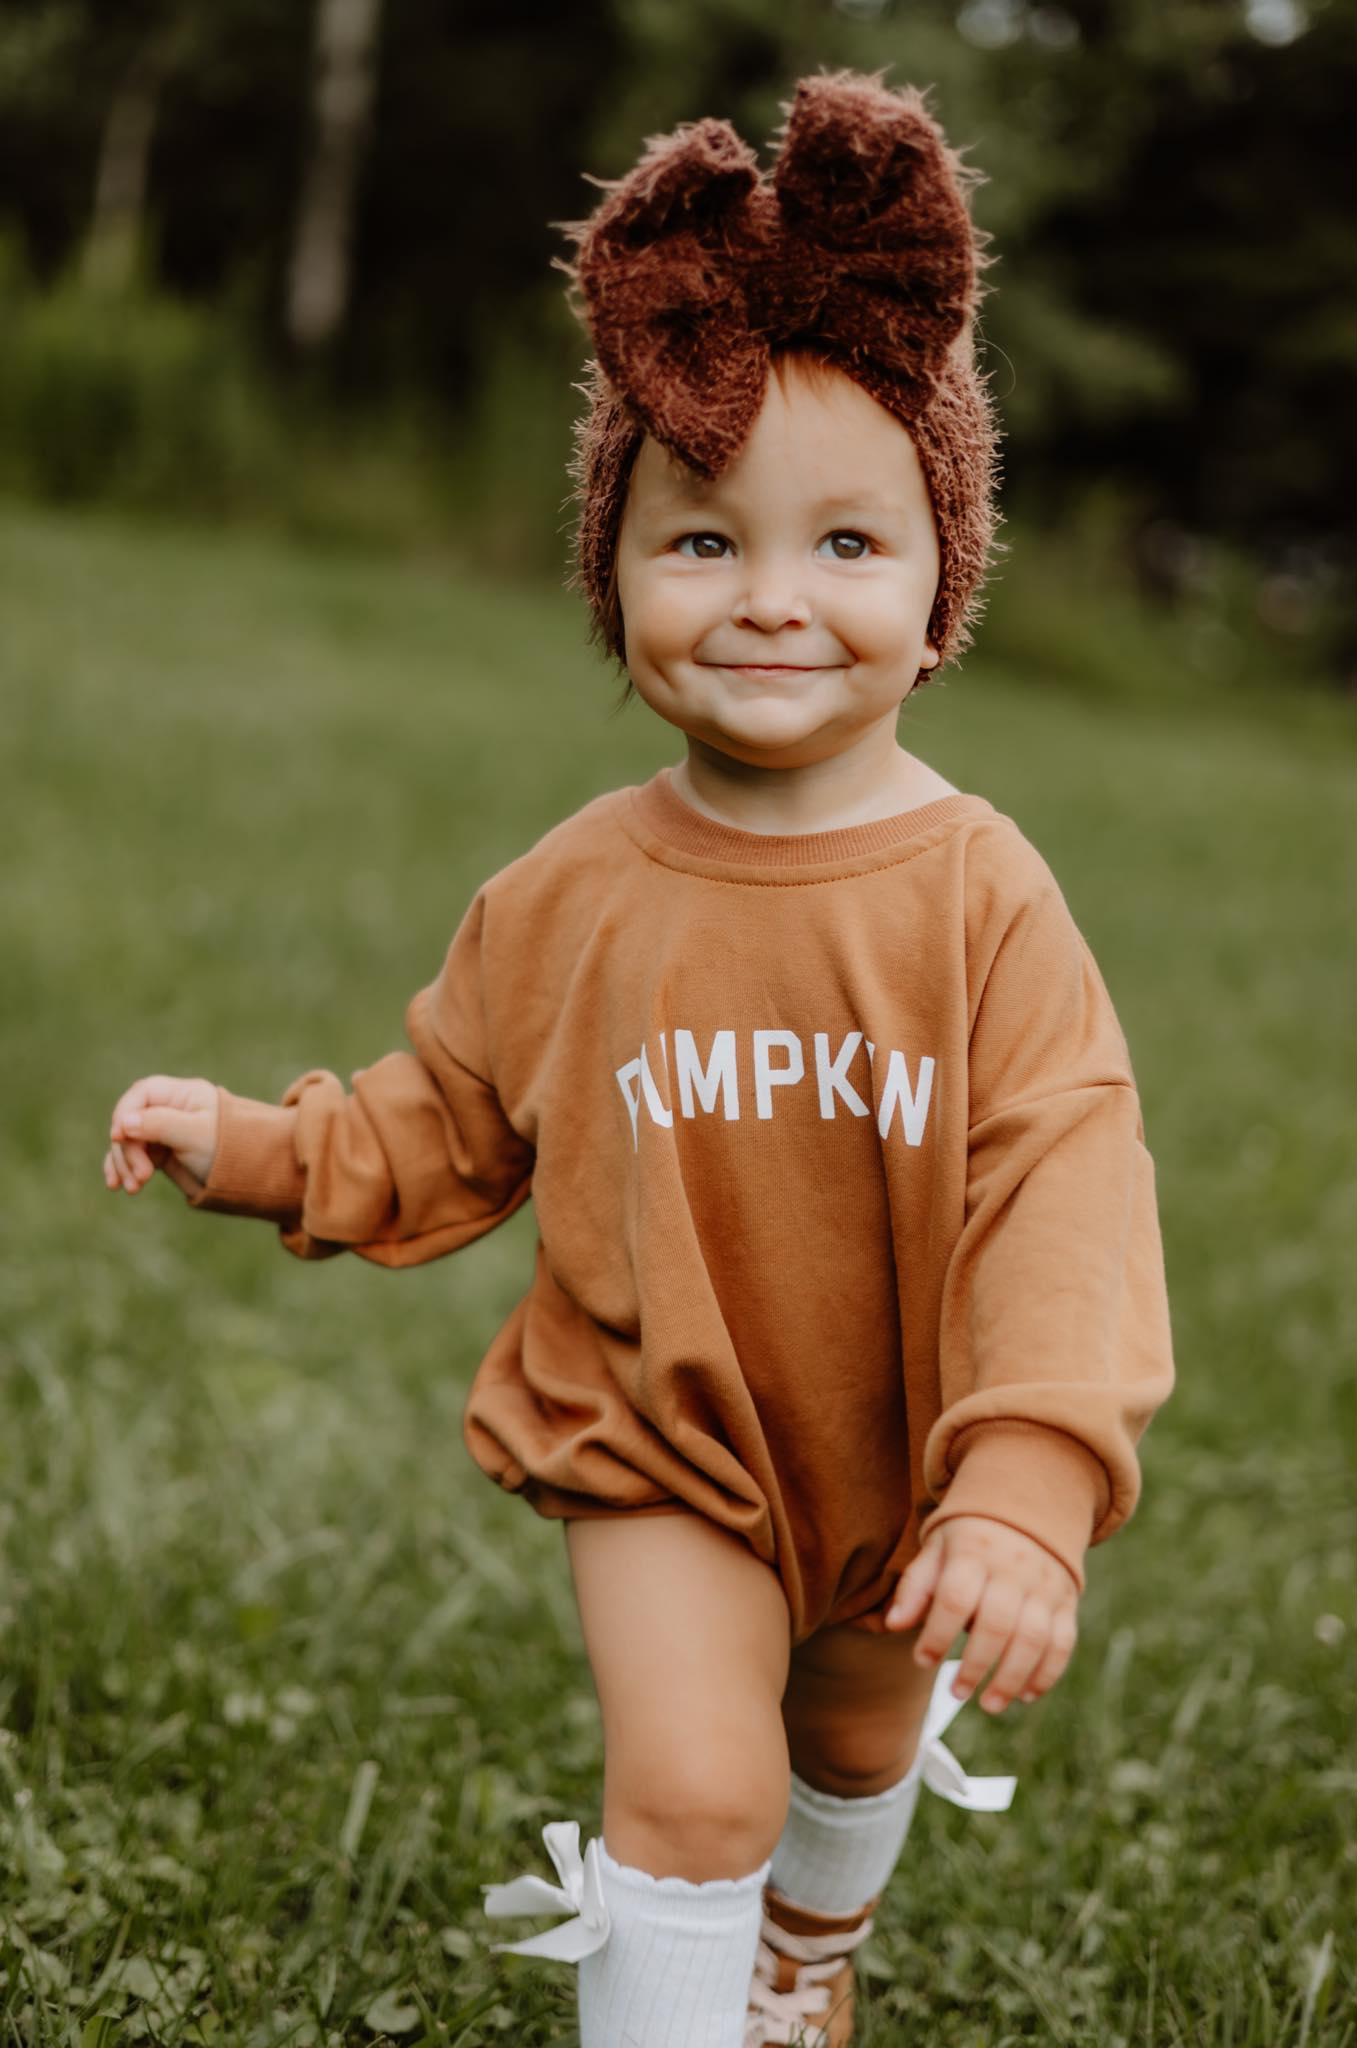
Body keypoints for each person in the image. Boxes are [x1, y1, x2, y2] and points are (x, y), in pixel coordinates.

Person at [103, 67, 1176, 2048]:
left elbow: (1063, 1181)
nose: (768, 597)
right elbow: (446, 1112)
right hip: (659, 1437)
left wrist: (1021, 1481)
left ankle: (808, 1955)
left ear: (940, 578)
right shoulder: (573, 891)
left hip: (903, 1450)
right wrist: (261, 1145)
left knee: (845, 1742)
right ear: (612, 567)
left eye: (845, 541)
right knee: (695, 1784)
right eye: (699, 542)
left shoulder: (978, 897)